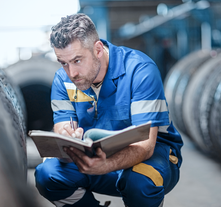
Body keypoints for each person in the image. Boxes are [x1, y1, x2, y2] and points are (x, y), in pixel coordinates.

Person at [35, 13, 183, 207]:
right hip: (94, 158)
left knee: (140, 182)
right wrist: (66, 134)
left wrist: (106, 165)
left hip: (153, 156)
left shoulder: (139, 70)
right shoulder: (62, 80)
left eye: (77, 60)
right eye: (63, 63)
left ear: (98, 50)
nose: (71, 73)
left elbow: (146, 146)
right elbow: (62, 124)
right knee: (47, 175)